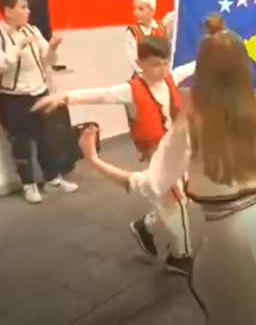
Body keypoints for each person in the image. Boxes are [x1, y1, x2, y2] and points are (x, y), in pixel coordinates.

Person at [74, 25, 256, 325]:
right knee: (252, 316)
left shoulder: (192, 127)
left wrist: (95, 161)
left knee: (244, 320)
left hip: (229, 238)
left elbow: (150, 184)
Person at [34, 35, 197, 275]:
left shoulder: (170, 79)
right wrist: (65, 97)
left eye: (164, 63)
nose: (162, 69)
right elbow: (101, 94)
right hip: (156, 153)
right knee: (177, 200)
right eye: (155, 64)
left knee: (177, 199)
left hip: (175, 149)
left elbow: (193, 66)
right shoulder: (131, 90)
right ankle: (180, 255)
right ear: (140, 63)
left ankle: (146, 226)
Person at [0, 0, 78, 205]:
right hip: (13, 97)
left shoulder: (33, 30)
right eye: (23, 7)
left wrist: (53, 47)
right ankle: (28, 185)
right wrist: (18, 45)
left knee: (47, 138)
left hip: (39, 92)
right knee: (21, 142)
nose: (28, 11)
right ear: (8, 11)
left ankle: (52, 178)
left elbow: (47, 60)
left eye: (28, 7)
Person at [127, 0, 178, 75]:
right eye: (135, 8)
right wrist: (146, 75)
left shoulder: (161, 27)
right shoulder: (133, 32)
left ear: (152, 10)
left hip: (162, 75)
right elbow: (134, 60)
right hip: (143, 77)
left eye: (140, 9)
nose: (135, 13)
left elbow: (175, 14)